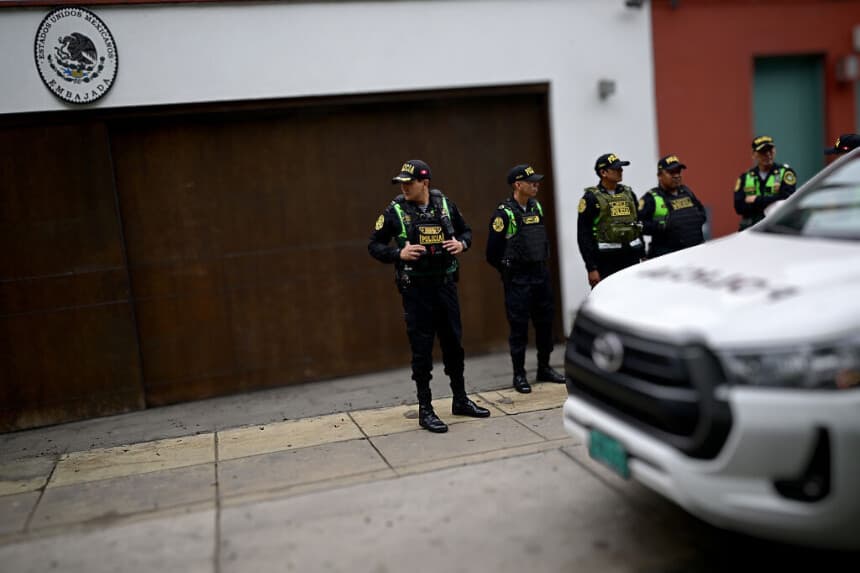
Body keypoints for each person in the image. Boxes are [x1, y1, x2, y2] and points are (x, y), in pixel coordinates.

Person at [368, 159, 490, 433]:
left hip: (446, 286)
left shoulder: (445, 205)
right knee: (422, 350)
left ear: (425, 182)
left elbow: (466, 231)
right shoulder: (395, 211)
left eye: (409, 183)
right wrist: (397, 253)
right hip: (416, 290)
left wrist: (462, 244)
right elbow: (373, 245)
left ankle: (460, 400)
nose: (404, 188)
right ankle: (426, 409)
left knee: (453, 345)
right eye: (401, 183)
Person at [486, 164, 566, 394]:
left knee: (545, 323)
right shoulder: (504, 213)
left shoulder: (536, 206)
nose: (536, 184)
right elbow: (492, 253)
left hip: (540, 274)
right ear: (517, 185)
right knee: (519, 327)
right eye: (531, 182)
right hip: (518, 279)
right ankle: (519, 374)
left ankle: (544, 367)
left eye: (536, 181)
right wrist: (508, 272)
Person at [577, 153, 643, 289]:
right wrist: (591, 268)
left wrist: (643, 254)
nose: (621, 171)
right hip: (606, 262)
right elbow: (584, 235)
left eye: (621, 168)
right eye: (616, 169)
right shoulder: (590, 198)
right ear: (603, 172)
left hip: (631, 258)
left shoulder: (629, 194)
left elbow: (637, 223)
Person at [639, 154, 707, 258]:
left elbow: (701, 213)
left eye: (678, 171)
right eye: (671, 172)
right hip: (667, 257)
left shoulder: (686, 191)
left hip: (695, 253)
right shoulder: (651, 198)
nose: (676, 175)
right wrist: (661, 226)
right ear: (660, 175)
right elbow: (638, 225)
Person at [733, 135, 798, 231]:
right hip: (750, 228)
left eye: (770, 150)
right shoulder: (746, 177)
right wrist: (772, 200)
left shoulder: (785, 172)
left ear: (775, 150)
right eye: (763, 151)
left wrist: (756, 200)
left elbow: (787, 199)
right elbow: (739, 207)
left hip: (776, 227)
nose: (768, 154)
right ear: (754, 154)